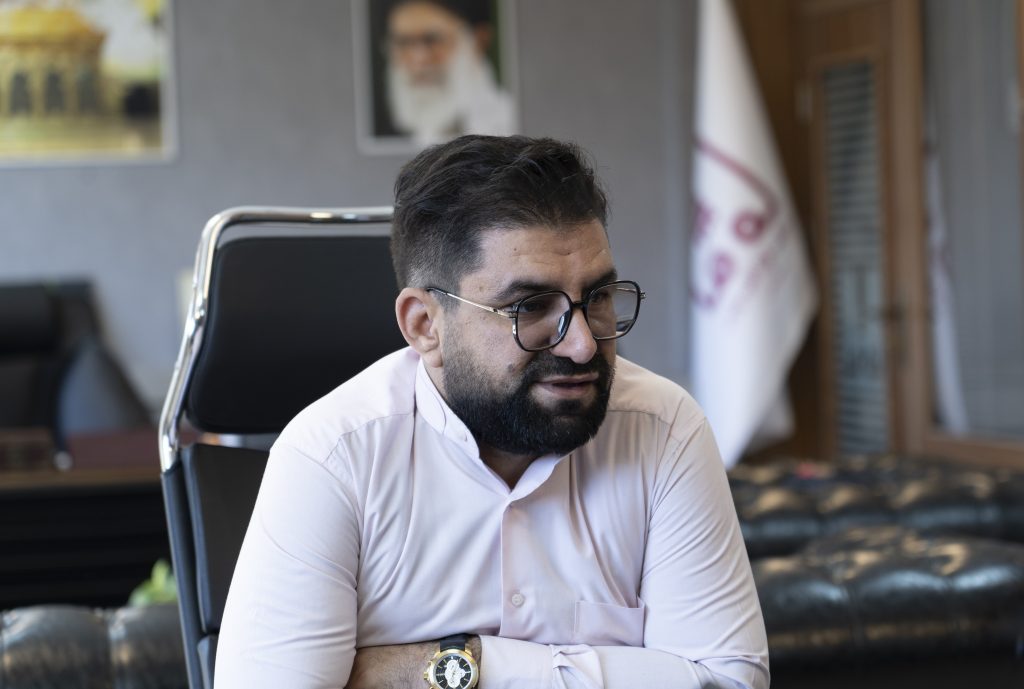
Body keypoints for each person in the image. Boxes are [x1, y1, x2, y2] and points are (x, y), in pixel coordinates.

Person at [215, 135, 769, 689]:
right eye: (530, 307)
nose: (582, 344)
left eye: (598, 298)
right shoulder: (332, 456)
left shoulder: (664, 430)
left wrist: (457, 667)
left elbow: (729, 680)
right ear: (425, 326)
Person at [381, 0, 515, 146]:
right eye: (403, 42)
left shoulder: (514, 125)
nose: (418, 60)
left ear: (479, 40)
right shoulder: (407, 136)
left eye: (432, 40)